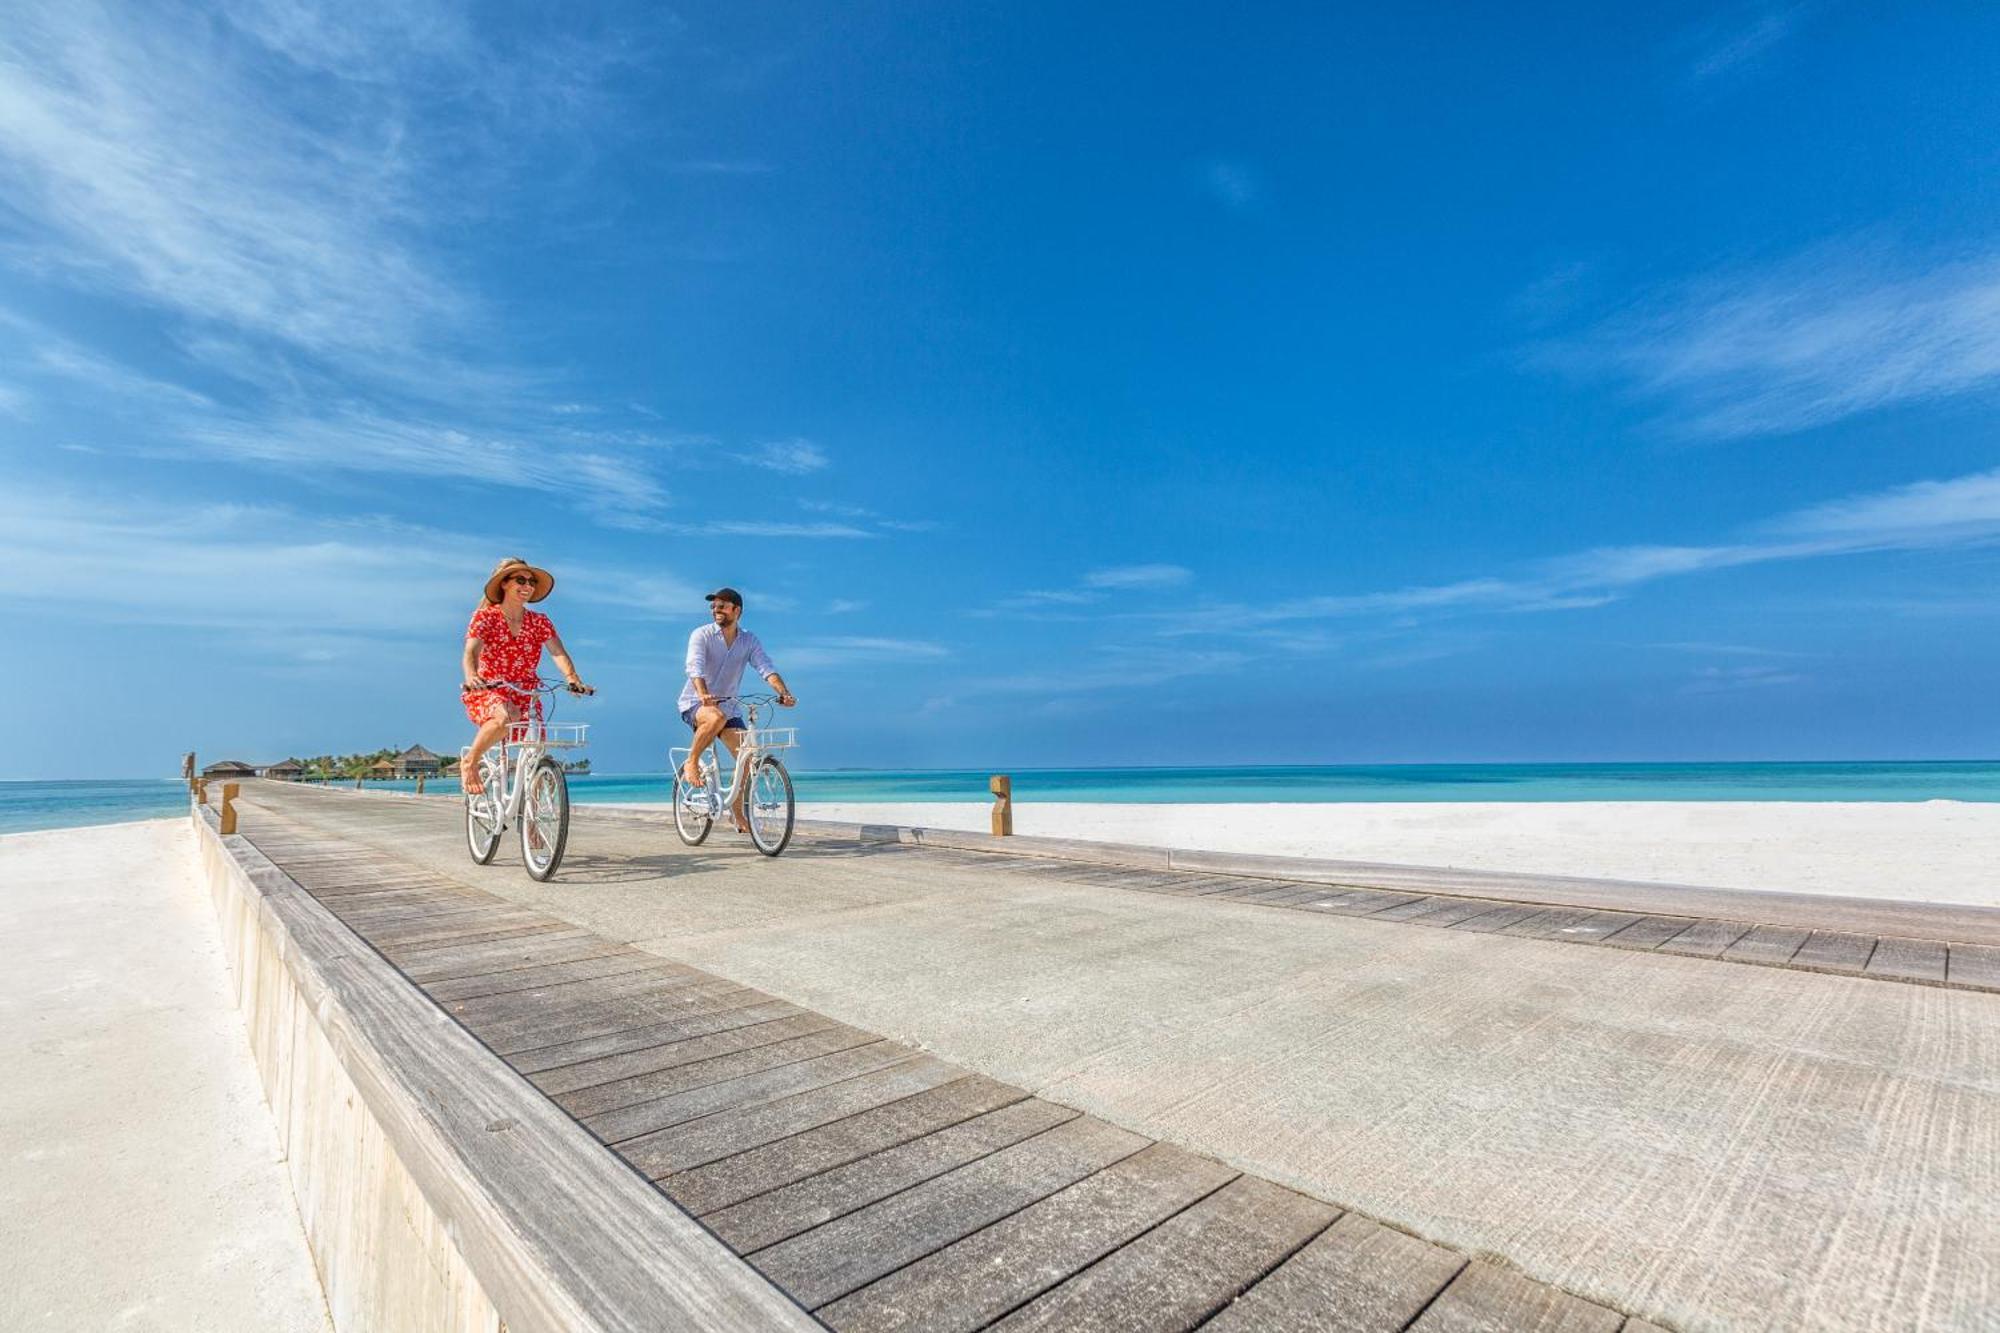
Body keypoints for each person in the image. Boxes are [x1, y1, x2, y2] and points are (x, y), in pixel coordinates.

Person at [460, 557, 593, 796]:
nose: (528, 586)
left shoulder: (539, 622)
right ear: (504, 584)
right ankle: (470, 761)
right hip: (489, 688)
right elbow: (471, 652)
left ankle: (533, 825)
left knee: (536, 753)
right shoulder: (486, 617)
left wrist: (573, 679)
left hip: (527, 692)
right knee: (504, 718)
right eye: (520, 580)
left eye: (531, 581)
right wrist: (471, 676)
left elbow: (558, 652)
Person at [679, 587, 795, 830]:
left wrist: (783, 693)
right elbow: (694, 667)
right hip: (696, 703)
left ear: (737, 610)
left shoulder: (749, 640)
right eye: (713, 606)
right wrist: (702, 694)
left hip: (730, 708)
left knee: (748, 756)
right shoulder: (701, 635)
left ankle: (736, 810)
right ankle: (691, 762)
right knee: (715, 717)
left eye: (722, 606)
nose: (716, 610)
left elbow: (766, 668)